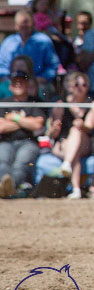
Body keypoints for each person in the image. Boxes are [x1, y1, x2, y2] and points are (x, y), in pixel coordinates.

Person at [0, 69, 47, 199]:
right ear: (10, 85)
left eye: (22, 82)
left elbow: (38, 125)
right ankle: (5, 184)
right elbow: (1, 127)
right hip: (5, 141)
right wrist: (25, 122)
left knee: (21, 163)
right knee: (2, 160)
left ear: (27, 84)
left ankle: (9, 186)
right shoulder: (3, 103)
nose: (18, 84)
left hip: (28, 142)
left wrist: (14, 118)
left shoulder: (35, 102)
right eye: (15, 82)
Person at [52, 72, 94, 198]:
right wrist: (55, 128)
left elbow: (90, 128)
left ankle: (67, 164)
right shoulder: (61, 104)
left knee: (76, 131)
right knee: (73, 151)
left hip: (84, 142)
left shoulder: (91, 104)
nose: (80, 87)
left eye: (84, 84)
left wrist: (82, 125)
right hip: (64, 143)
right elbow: (52, 133)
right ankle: (76, 189)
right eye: (76, 84)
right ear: (70, 87)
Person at [0, 9, 61, 84]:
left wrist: (43, 78)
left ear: (33, 24)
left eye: (26, 22)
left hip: (38, 83)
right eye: (20, 23)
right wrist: (7, 79)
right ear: (16, 26)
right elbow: (2, 66)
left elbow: (53, 65)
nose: (24, 26)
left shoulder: (43, 41)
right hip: (12, 83)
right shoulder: (8, 42)